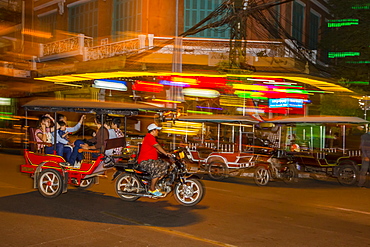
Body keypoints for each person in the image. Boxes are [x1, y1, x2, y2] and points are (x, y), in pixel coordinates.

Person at [137, 123, 170, 196]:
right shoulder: (149, 137)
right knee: (157, 168)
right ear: (153, 131)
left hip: (152, 160)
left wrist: (167, 152)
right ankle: (152, 189)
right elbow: (157, 146)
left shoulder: (152, 138)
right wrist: (165, 153)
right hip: (145, 161)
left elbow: (157, 149)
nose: (158, 132)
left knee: (165, 164)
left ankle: (156, 182)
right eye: (157, 130)